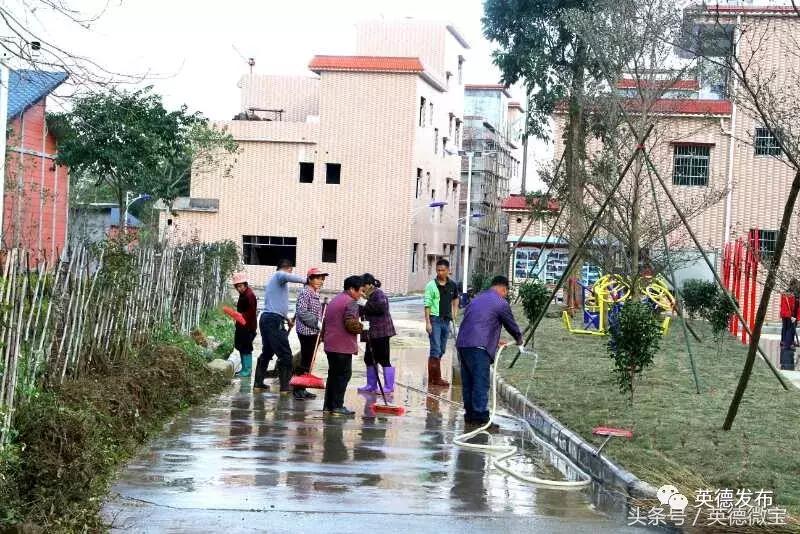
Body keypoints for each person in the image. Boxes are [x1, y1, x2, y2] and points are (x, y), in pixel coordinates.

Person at [456, 275, 523, 431]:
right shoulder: (501, 302)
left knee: (469, 382)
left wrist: (494, 341)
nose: (505, 294)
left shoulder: (477, 299)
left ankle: (470, 416)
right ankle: (481, 419)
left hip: (463, 344)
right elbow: (510, 324)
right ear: (503, 288)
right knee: (480, 382)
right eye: (505, 292)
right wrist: (519, 339)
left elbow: (479, 322)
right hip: (478, 347)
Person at [254, 259, 306, 392]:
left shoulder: (274, 283)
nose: (290, 273)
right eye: (290, 270)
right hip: (272, 320)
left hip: (269, 318)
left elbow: (276, 305)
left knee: (267, 352)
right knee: (285, 355)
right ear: (288, 268)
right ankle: (285, 387)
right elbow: (286, 276)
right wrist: (307, 280)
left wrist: (287, 319)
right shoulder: (279, 275)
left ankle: (258, 384)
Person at [322, 275, 367, 416]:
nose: (362, 294)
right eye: (361, 290)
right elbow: (350, 324)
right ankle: (337, 407)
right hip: (342, 346)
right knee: (343, 375)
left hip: (331, 345)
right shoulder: (351, 302)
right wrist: (362, 327)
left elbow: (325, 322)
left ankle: (329, 406)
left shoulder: (335, 300)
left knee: (333, 375)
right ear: (352, 289)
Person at [357, 273, 397, 393]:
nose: (361, 289)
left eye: (363, 286)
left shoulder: (378, 294)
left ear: (369, 285)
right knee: (369, 358)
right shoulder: (366, 296)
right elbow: (361, 312)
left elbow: (381, 308)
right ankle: (371, 385)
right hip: (371, 333)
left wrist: (364, 303)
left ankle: (389, 387)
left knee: (383, 358)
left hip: (382, 332)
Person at [293, 267, 328, 400]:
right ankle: (298, 388)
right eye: (318, 278)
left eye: (322, 279)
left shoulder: (314, 293)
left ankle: (303, 387)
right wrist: (316, 322)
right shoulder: (305, 292)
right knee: (305, 360)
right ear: (310, 279)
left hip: (314, 331)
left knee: (309, 360)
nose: (321, 281)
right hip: (306, 331)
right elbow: (301, 311)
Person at [424, 259, 459, 387]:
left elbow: (455, 299)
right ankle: (436, 378)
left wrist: (454, 313)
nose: (440, 272)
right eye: (438, 270)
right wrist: (428, 323)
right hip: (435, 319)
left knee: (441, 350)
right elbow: (427, 305)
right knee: (436, 348)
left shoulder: (452, 285)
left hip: (446, 320)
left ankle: (432, 377)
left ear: (448, 270)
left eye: (443, 270)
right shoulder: (431, 285)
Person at [231, 272, 258, 378]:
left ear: (245, 285)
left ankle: (247, 370)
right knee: (241, 347)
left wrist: (239, 315)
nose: (239, 288)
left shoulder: (250, 295)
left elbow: (251, 312)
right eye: (237, 286)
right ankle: (243, 368)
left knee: (246, 348)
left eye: (240, 286)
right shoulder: (243, 294)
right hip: (241, 325)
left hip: (248, 326)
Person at [780, 278, 800, 371]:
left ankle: (784, 342)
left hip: (786, 315)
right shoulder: (796, 295)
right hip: (792, 316)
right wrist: (795, 317)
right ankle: (787, 344)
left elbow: (783, 305)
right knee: (790, 330)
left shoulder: (785, 293)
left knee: (785, 328)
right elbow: (795, 307)